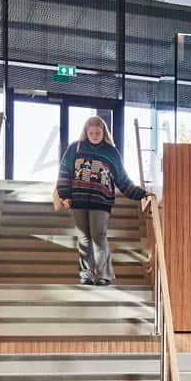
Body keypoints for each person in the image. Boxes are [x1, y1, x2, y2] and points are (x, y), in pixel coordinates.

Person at [52, 115, 151, 286]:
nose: (94, 135)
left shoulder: (112, 152)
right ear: (86, 132)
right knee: (83, 239)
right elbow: (64, 173)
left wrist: (141, 193)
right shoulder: (74, 148)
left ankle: (103, 275)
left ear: (104, 132)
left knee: (99, 235)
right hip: (79, 200)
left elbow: (122, 179)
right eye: (91, 132)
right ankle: (86, 275)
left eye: (98, 132)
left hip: (101, 201)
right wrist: (64, 195)